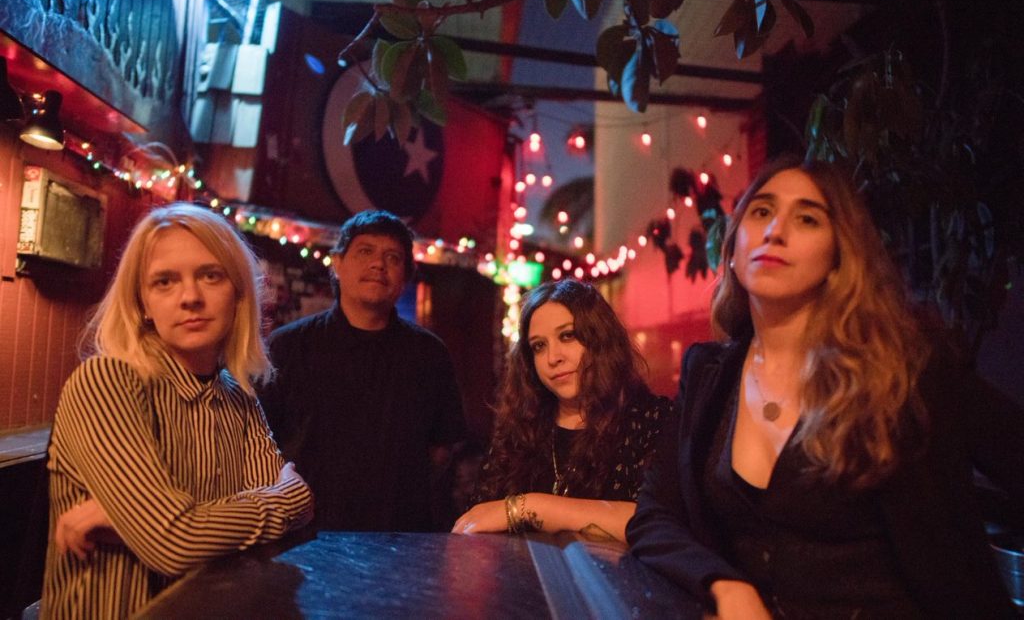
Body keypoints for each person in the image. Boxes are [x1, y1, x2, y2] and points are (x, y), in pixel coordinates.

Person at [627, 158, 1024, 618]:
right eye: (761, 212)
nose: (775, 231)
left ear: (839, 256)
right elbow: (654, 513)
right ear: (733, 250)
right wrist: (724, 585)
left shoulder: (906, 368)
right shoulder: (709, 374)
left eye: (807, 219)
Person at [42, 203, 314, 618]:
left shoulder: (238, 395)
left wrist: (130, 521)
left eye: (210, 275)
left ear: (238, 292)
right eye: (165, 281)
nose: (190, 298)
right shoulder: (107, 381)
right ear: (142, 303)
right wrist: (287, 497)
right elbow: (174, 543)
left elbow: (298, 515)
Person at [259, 209, 465, 531]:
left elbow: (441, 449)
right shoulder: (288, 346)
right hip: (306, 534)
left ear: (406, 276)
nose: (378, 264)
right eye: (365, 251)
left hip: (400, 536)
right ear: (337, 263)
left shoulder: (430, 355)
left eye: (393, 257)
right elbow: (261, 442)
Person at [453, 279, 672, 542]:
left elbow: (655, 522)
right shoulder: (522, 428)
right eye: (539, 346)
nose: (553, 358)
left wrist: (527, 507)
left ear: (601, 339)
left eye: (567, 336)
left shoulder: (651, 420)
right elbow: (479, 518)